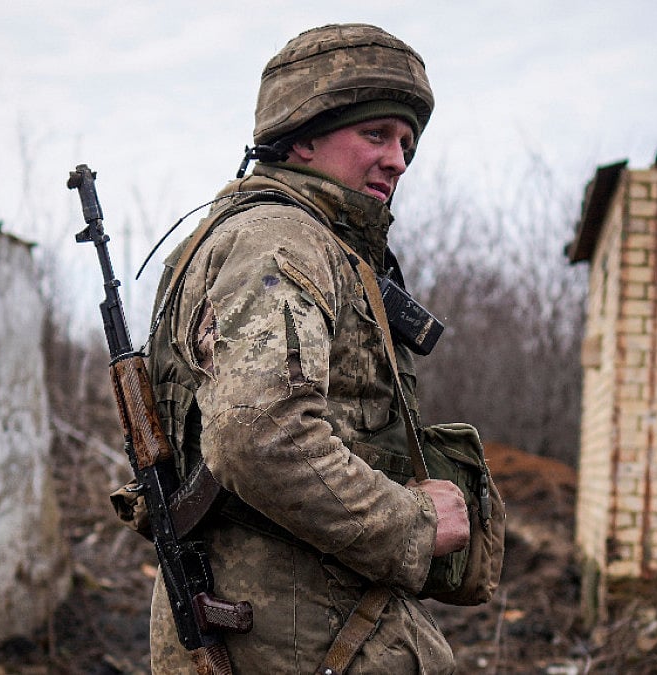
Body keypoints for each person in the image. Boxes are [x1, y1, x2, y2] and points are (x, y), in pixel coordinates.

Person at [143, 23, 469, 674]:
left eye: (406, 142)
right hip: (296, 634)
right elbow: (261, 436)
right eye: (375, 135)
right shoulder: (282, 242)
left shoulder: (278, 239)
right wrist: (415, 522)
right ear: (303, 136)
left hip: (300, 622)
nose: (398, 159)